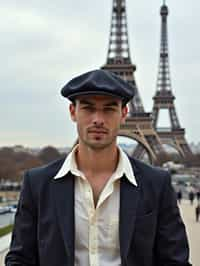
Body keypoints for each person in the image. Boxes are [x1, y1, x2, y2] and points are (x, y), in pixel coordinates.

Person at [5, 70, 192, 266]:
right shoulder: (37, 184)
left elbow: (174, 261)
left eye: (109, 109)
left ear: (124, 114)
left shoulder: (157, 184)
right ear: (72, 112)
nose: (98, 119)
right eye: (88, 108)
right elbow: (21, 259)